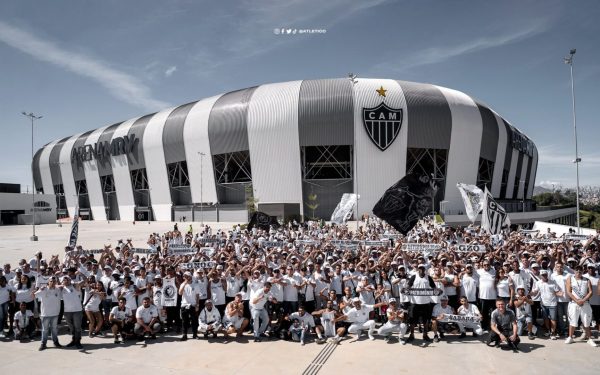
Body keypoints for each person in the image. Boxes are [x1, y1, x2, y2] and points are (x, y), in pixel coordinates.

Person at [564, 265, 597, 347]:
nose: (578, 272)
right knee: (572, 321)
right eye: (577, 270)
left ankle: (589, 339)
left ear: (583, 271)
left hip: (585, 304)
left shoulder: (587, 280)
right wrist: (577, 300)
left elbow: (590, 292)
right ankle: (570, 337)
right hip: (573, 304)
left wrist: (583, 300)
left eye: (580, 270)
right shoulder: (570, 279)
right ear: (574, 271)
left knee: (586, 322)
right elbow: (568, 292)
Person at [531, 269, 562, 339]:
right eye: (542, 275)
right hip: (543, 304)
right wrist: (532, 293)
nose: (544, 276)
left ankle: (553, 333)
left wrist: (560, 293)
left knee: (553, 319)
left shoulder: (553, 282)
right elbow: (536, 291)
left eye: (545, 275)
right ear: (540, 276)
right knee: (545, 319)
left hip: (553, 304)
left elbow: (557, 291)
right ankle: (548, 331)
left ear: (547, 275)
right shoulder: (538, 283)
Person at [34, 276, 63, 351]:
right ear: (48, 282)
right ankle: (43, 344)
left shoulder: (58, 290)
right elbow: (33, 295)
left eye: (54, 281)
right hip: (45, 314)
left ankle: (56, 342)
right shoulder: (44, 289)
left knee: (54, 329)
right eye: (51, 281)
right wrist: (40, 289)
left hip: (55, 313)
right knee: (45, 330)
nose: (53, 283)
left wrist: (60, 286)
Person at [59, 275, 83, 348]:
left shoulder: (75, 286)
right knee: (71, 327)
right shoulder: (61, 289)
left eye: (67, 279)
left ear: (70, 280)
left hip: (77, 310)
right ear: (62, 281)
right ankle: (73, 340)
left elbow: (83, 281)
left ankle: (78, 341)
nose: (66, 281)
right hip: (67, 311)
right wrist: (61, 285)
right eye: (64, 280)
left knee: (77, 327)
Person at [178, 271, 199, 341]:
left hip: (192, 305)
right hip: (184, 305)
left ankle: (195, 334)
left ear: (190, 276)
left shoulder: (195, 285)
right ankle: (184, 335)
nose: (186, 277)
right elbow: (180, 293)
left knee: (194, 320)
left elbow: (197, 295)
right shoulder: (182, 284)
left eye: (187, 276)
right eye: (185, 276)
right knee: (184, 321)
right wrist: (184, 284)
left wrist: (197, 305)